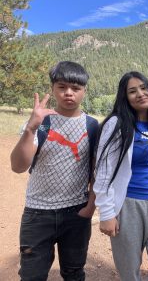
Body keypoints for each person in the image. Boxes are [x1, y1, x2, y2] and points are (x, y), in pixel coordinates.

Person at [10, 61, 98, 281]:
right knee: (32, 275)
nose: (69, 93)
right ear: (52, 88)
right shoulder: (41, 123)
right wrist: (30, 128)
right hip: (38, 213)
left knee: (74, 272)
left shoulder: (92, 125)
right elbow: (18, 166)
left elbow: (97, 170)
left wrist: (90, 207)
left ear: (84, 91)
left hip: (76, 213)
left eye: (76, 88)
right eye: (62, 87)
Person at [93, 71, 148, 281]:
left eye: (144, 88)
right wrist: (107, 213)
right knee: (129, 270)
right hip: (128, 206)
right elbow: (104, 171)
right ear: (124, 97)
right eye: (132, 91)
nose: (140, 94)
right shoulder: (116, 124)